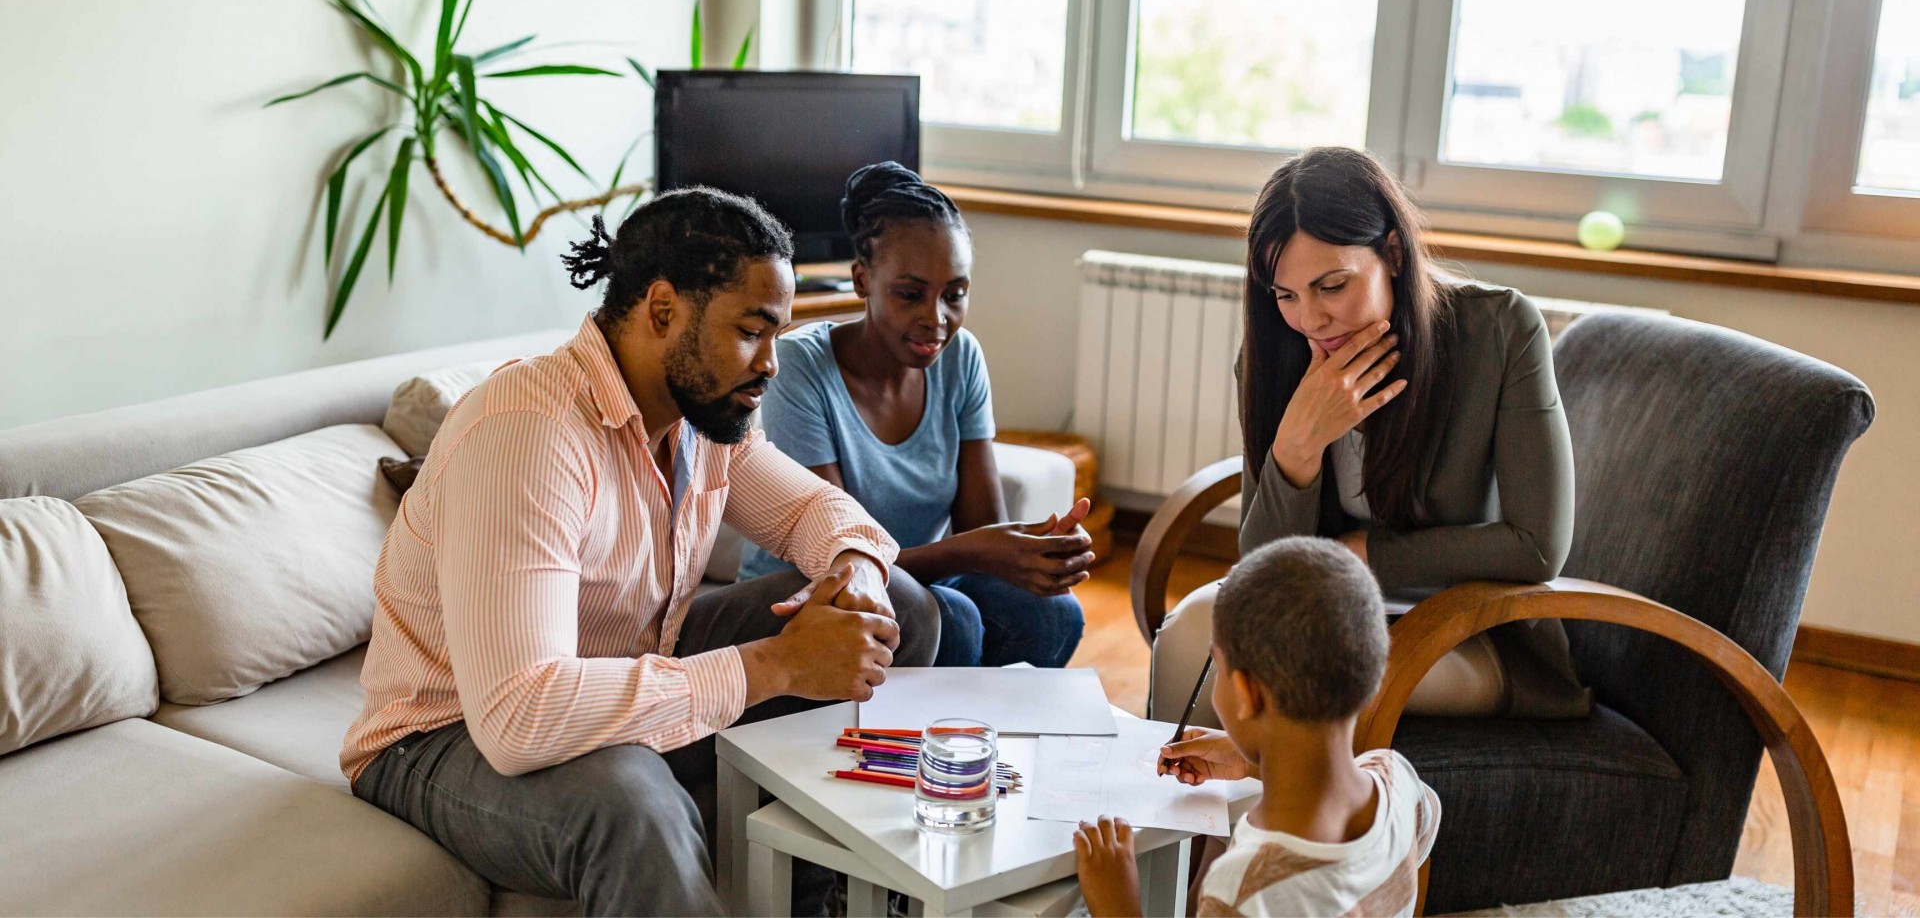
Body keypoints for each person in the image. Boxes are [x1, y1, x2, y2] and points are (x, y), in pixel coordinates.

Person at [340, 187, 940, 915]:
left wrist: (858, 574)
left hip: (618, 670)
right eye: (753, 330)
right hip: (441, 736)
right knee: (630, 799)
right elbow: (519, 716)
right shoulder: (529, 432)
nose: (772, 364)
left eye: (778, 335)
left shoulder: (701, 420)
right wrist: (776, 664)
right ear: (663, 311)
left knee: (899, 605)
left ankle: (814, 893)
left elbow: (822, 513)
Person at [1149, 146, 1586, 725]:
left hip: (1465, 631)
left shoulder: (1498, 330)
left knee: (1286, 669)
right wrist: (1298, 448)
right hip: (1326, 609)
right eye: (1285, 295)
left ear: (1395, 254)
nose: (1309, 319)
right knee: (1186, 636)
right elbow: (1262, 563)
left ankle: (1268, 815)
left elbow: (1537, 546)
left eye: (1332, 286)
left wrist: (1363, 554)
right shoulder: (1276, 355)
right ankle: (1184, 816)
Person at [737, 161, 1091, 668]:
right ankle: (918, 745)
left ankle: (977, 739)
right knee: (954, 616)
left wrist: (1035, 548)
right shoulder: (800, 367)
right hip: (811, 584)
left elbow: (979, 527)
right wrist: (984, 549)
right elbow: (835, 548)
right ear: (862, 280)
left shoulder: (961, 357)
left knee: (1053, 613)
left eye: (955, 294)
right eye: (910, 294)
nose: (936, 319)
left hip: (915, 574)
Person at [1075, 537, 1440, 917]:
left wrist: (1118, 906)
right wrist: (1253, 762)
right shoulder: (1399, 781)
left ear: (1248, 693)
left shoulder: (1244, 892)